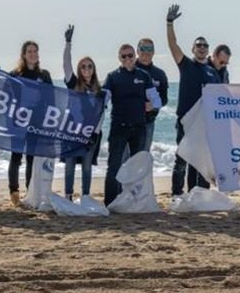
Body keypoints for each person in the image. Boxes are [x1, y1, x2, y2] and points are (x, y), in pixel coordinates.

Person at [166, 4, 222, 196]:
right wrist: (169, 24)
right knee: (182, 157)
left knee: (202, 159)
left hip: (205, 122)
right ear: (193, 48)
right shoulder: (186, 65)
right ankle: (176, 194)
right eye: (198, 45)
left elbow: (219, 96)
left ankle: (199, 194)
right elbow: (173, 46)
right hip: (185, 120)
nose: (202, 48)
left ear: (208, 50)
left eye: (205, 45)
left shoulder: (212, 72)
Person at [102, 44, 162, 205]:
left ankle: (135, 200)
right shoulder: (112, 76)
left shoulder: (143, 75)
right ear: (119, 58)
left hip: (139, 127)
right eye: (124, 56)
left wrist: (152, 105)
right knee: (114, 165)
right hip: (119, 127)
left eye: (130, 55)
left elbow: (156, 100)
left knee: (137, 166)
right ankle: (110, 201)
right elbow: (104, 99)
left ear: (135, 56)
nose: (127, 59)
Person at [7, 40, 53, 206]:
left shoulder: (44, 75)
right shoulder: (15, 75)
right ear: (24, 55)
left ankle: (30, 192)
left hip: (37, 123)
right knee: (16, 157)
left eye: (35, 51)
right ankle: (14, 192)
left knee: (32, 159)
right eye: (29, 51)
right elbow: (6, 96)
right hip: (18, 123)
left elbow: (51, 100)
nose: (33, 54)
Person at [62, 25, 103, 201]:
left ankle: (85, 196)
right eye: (83, 67)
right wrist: (68, 43)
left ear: (94, 69)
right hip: (71, 132)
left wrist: (94, 133)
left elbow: (101, 114)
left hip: (90, 135)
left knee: (87, 166)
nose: (87, 69)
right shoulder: (73, 84)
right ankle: (69, 195)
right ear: (80, 69)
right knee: (70, 166)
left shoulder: (100, 91)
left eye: (90, 66)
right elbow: (66, 65)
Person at [130, 38, 169, 152]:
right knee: (124, 161)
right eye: (143, 48)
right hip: (127, 122)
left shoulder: (159, 74)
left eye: (149, 49)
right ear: (137, 51)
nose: (146, 52)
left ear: (153, 52)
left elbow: (164, 99)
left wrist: (153, 104)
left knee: (142, 159)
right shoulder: (128, 69)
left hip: (148, 122)